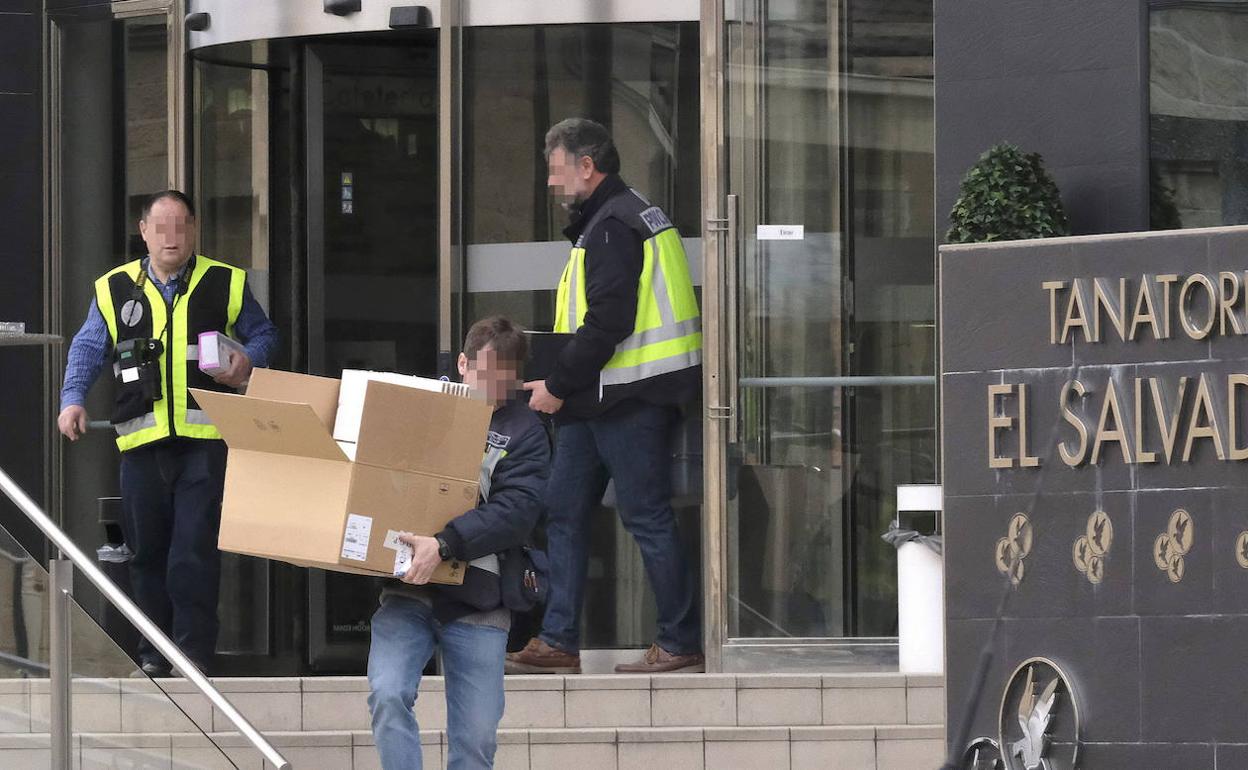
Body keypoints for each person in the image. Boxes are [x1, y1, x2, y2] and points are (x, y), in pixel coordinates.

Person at [508, 118, 704, 675]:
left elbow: (607, 322)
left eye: (556, 170)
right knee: (563, 512)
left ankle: (678, 641)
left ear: (586, 167)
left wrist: (556, 386)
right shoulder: (618, 216)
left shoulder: (615, 225)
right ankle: (558, 639)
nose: (551, 183)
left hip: (627, 397)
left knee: (644, 516)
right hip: (601, 399)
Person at [56, 190, 279, 677]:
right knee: (147, 554)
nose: (170, 237)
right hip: (141, 444)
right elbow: (89, 346)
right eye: (160, 227)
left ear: (194, 229)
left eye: (179, 226)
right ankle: (155, 654)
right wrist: (72, 398)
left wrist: (248, 359)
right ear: (144, 232)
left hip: (203, 442)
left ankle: (193, 653)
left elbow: (264, 336)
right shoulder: (114, 288)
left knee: (193, 552)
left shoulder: (225, 282)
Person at [368, 316, 550, 770]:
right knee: (387, 694)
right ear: (463, 363)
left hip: (480, 599)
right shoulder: (422, 406)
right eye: (485, 373)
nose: (494, 386)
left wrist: (445, 544)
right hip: (409, 588)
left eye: (506, 378)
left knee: (476, 741)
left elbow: (516, 512)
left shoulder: (525, 431)